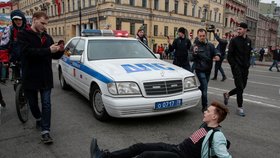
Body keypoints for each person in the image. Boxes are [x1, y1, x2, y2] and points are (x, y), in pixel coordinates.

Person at [90, 101, 231, 158]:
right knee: (139, 146)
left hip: (181, 157)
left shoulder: (217, 135)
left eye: (208, 111)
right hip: (177, 148)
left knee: (146, 156)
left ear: (214, 116)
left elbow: (225, 156)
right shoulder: (205, 125)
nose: (205, 112)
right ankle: (103, 157)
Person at [17, 11, 64, 144]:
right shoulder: (23, 35)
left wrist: (59, 51)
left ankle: (45, 132)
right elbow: (27, 53)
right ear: (34, 19)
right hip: (30, 77)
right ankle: (38, 118)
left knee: (47, 104)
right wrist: (48, 50)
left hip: (45, 77)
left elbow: (52, 55)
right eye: (42, 23)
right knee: (32, 103)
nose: (44, 26)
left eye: (46, 24)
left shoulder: (48, 37)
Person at [223, 22, 252, 117]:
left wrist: (248, 64)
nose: (238, 31)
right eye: (238, 29)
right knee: (240, 88)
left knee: (243, 87)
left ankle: (228, 94)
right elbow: (229, 56)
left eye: (240, 29)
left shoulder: (248, 41)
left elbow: (248, 54)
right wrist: (234, 66)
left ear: (245, 30)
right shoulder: (234, 40)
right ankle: (240, 108)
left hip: (245, 68)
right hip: (236, 68)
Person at [192, 29, 220, 112]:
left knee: (203, 87)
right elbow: (190, 58)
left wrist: (217, 55)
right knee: (205, 89)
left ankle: (196, 90)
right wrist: (194, 53)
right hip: (200, 69)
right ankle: (205, 106)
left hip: (208, 70)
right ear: (198, 36)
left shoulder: (210, 45)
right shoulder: (195, 46)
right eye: (200, 36)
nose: (202, 37)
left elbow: (216, 51)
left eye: (203, 36)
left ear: (206, 35)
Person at [0, 10, 30, 81]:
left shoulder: (29, 29)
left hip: (28, 59)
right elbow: (3, 45)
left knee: (28, 79)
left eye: (19, 19)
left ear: (23, 19)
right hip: (15, 59)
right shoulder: (9, 29)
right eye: (15, 19)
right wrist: (5, 60)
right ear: (13, 20)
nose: (18, 21)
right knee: (17, 81)